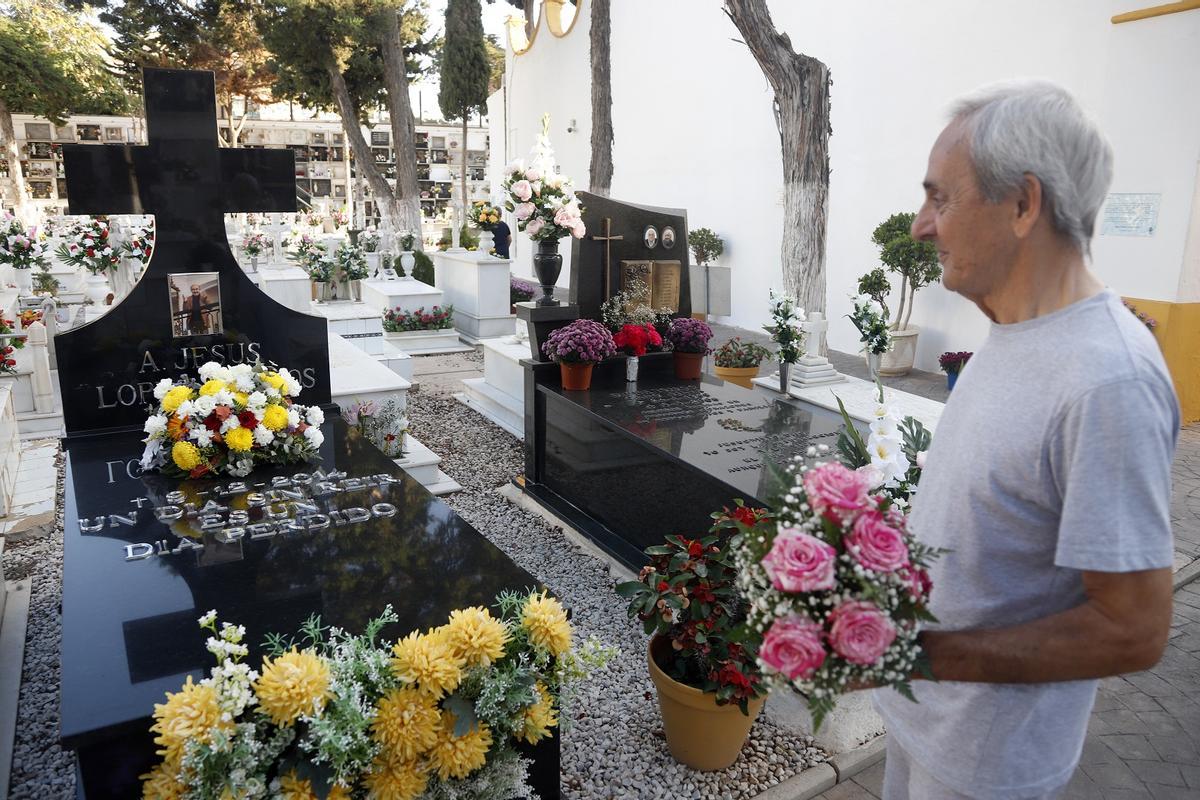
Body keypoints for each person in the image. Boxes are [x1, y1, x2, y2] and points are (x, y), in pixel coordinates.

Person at [874, 80, 1178, 800]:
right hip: (924, 724)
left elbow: (1133, 629)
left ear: (1022, 204)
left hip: (984, 766)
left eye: (941, 198)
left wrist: (920, 651)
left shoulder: (1110, 379)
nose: (921, 225)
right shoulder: (1014, 327)